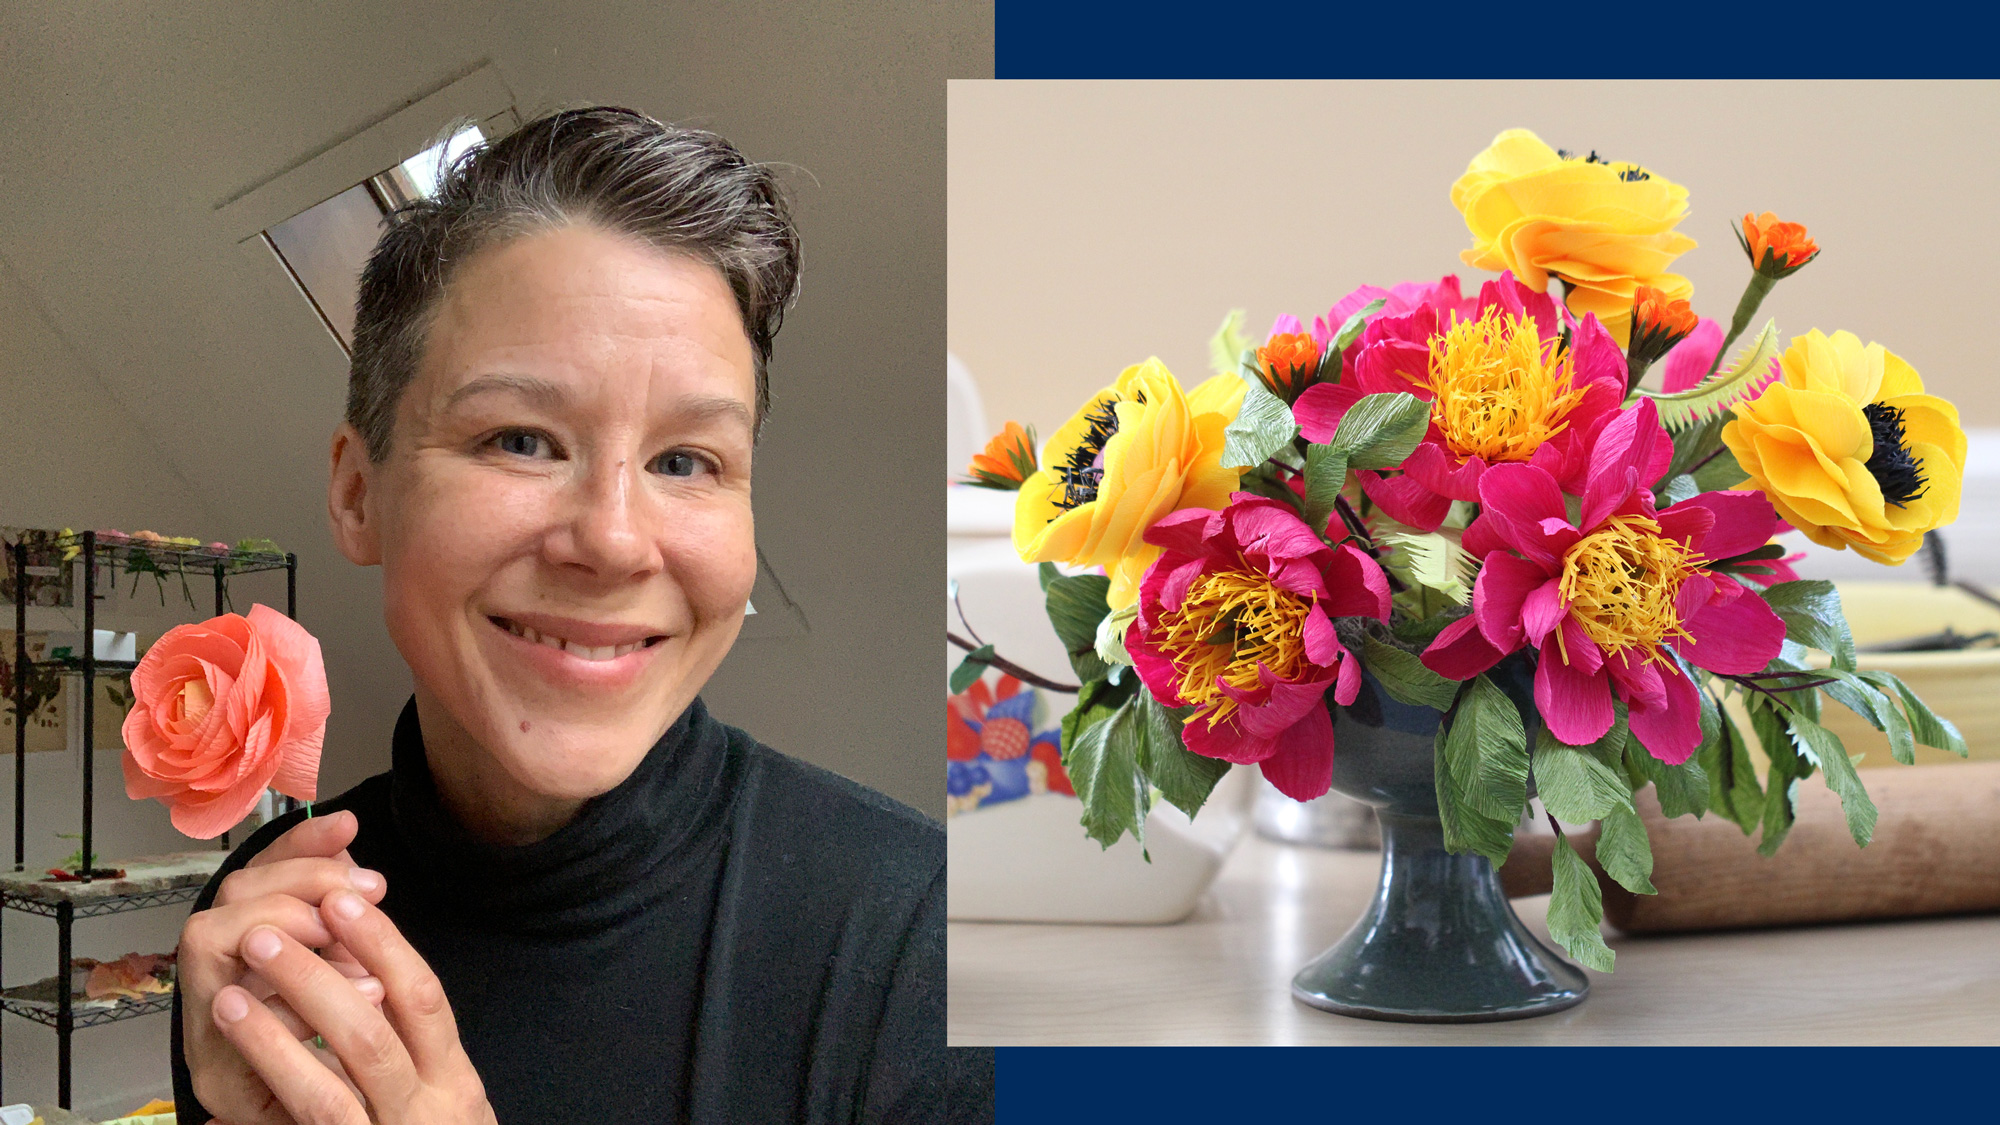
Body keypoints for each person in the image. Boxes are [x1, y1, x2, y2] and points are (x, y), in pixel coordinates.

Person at [169, 106, 944, 1124]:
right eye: (521, 441)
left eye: (684, 462)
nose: (615, 541)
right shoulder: (272, 938)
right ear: (359, 494)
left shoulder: (929, 949)